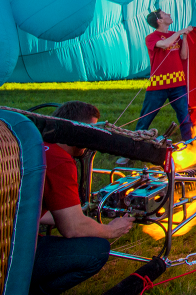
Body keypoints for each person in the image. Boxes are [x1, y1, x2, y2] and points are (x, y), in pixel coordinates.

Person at [32, 101, 133, 294]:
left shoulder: (38, 145)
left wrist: (63, 214)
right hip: (14, 253)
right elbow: (72, 229)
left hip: (0, 236)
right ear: (79, 131)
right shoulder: (60, 161)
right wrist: (111, 230)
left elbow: (27, 205)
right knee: (97, 250)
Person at [136, 8, 194, 140]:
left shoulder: (175, 35)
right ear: (159, 20)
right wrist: (180, 32)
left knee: (184, 117)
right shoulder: (151, 37)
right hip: (158, 85)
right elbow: (165, 44)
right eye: (165, 14)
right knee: (146, 119)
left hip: (178, 83)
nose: (169, 14)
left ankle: (190, 146)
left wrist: (184, 37)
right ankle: (133, 146)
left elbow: (184, 56)